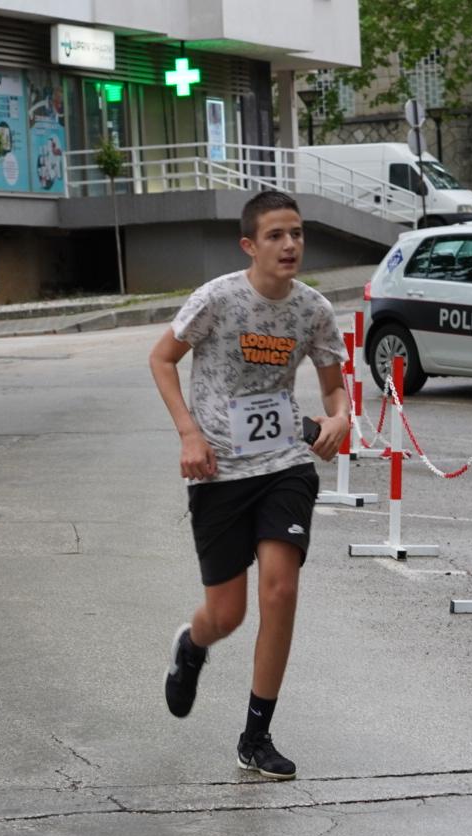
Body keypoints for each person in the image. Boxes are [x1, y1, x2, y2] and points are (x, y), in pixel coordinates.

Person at [148, 190, 350, 781]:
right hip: (218, 471)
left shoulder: (313, 310)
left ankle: (256, 735)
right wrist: (189, 434)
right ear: (249, 245)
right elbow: (162, 360)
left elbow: (334, 387)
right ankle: (192, 645)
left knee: (280, 589)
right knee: (226, 614)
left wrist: (337, 418)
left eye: (297, 234)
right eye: (275, 236)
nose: (290, 245)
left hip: (285, 462)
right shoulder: (217, 299)